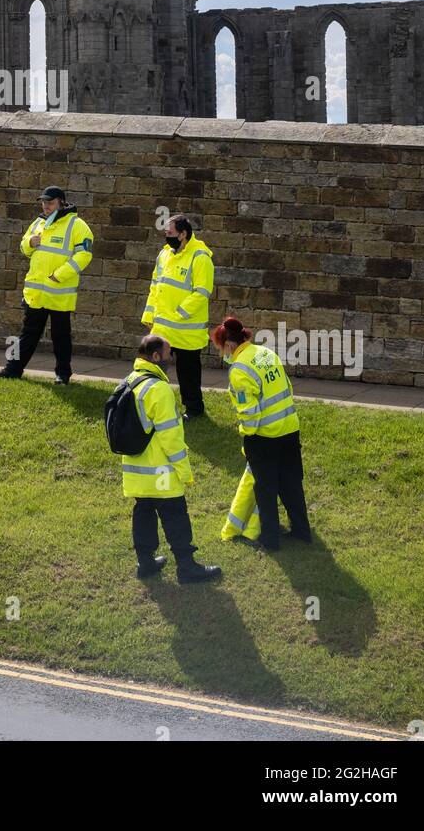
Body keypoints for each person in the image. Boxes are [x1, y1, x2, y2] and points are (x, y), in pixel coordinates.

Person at [121, 334, 222, 584]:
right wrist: (184, 472)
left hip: (136, 468)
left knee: (143, 512)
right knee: (175, 515)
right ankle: (186, 567)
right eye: (168, 354)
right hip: (161, 471)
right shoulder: (159, 389)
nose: (171, 359)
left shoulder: (130, 381)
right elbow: (171, 439)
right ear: (156, 356)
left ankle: (145, 562)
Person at [211, 315, 312, 552]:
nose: (221, 354)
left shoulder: (239, 370)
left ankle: (269, 541)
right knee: (291, 484)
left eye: (219, 349)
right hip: (289, 428)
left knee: (265, 490)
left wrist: (247, 437)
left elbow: (250, 414)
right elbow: (287, 386)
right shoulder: (266, 353)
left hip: (264, 436)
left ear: (228, 345)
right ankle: (301, 532)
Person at [0, 185, 93, 385]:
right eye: (44, 202)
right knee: (27, 335)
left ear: (61, 203)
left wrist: (59, 275)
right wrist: (30, 243)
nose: (46, 206)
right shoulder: (38, 222)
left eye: (50, 202)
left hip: (59, 294)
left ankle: (63, 375)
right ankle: (12, 370)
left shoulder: (78, 225)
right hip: (35, 294)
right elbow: (23, 246)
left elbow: (84, 255)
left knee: (60, 337)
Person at [141, 213, 214, 420]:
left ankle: (194, 409)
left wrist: (179, 313)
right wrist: (149, 313)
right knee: (152, 367)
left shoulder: (200, 257)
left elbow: (202, 292)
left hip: (186, 331)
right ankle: (151, 404)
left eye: (170, 232)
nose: (167, 235)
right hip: (162, 328)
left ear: (183, 234)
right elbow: (155, 286)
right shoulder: (164, 255)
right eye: (166, 232)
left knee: (187, 372)